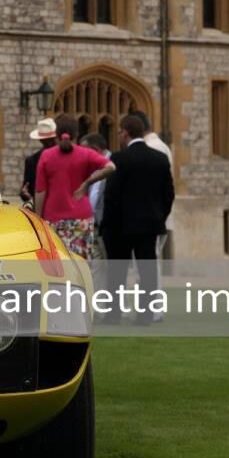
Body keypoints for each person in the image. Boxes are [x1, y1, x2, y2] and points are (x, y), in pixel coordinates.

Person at [97, 114, 174, 325]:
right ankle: (146, 315)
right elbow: (169, 194)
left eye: (120, 132)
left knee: (117, 273)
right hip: (149, 225)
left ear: (125, 132)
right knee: (147, 272)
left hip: (120, 226)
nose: (119, 136)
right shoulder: (159, 159)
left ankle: (114, 314)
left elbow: (111, 196)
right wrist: (159, 216)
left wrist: (106, 225)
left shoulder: (119, 160)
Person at [34, 115, 115, 258]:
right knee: (81, 264)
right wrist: (88, 182)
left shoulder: (46, 156)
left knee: (57, 264)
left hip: (54, 219)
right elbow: (110, 167)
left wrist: (38, 220)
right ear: (77, 134)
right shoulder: (86, 153)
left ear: (56, 135)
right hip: (81, 219)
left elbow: (41, 191)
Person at [132, 109, 172, 321]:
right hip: (156, 215)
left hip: (150, 216)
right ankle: (150, 306)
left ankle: (153, 308)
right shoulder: (160, 147)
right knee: (149, 264)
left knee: (148, 265)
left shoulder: (153, 148)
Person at [20, 118, 56, 209]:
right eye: (46, 140)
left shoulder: (66, 157)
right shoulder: (32, 161)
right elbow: (26, 190)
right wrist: (25, 195)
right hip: (41, 209)